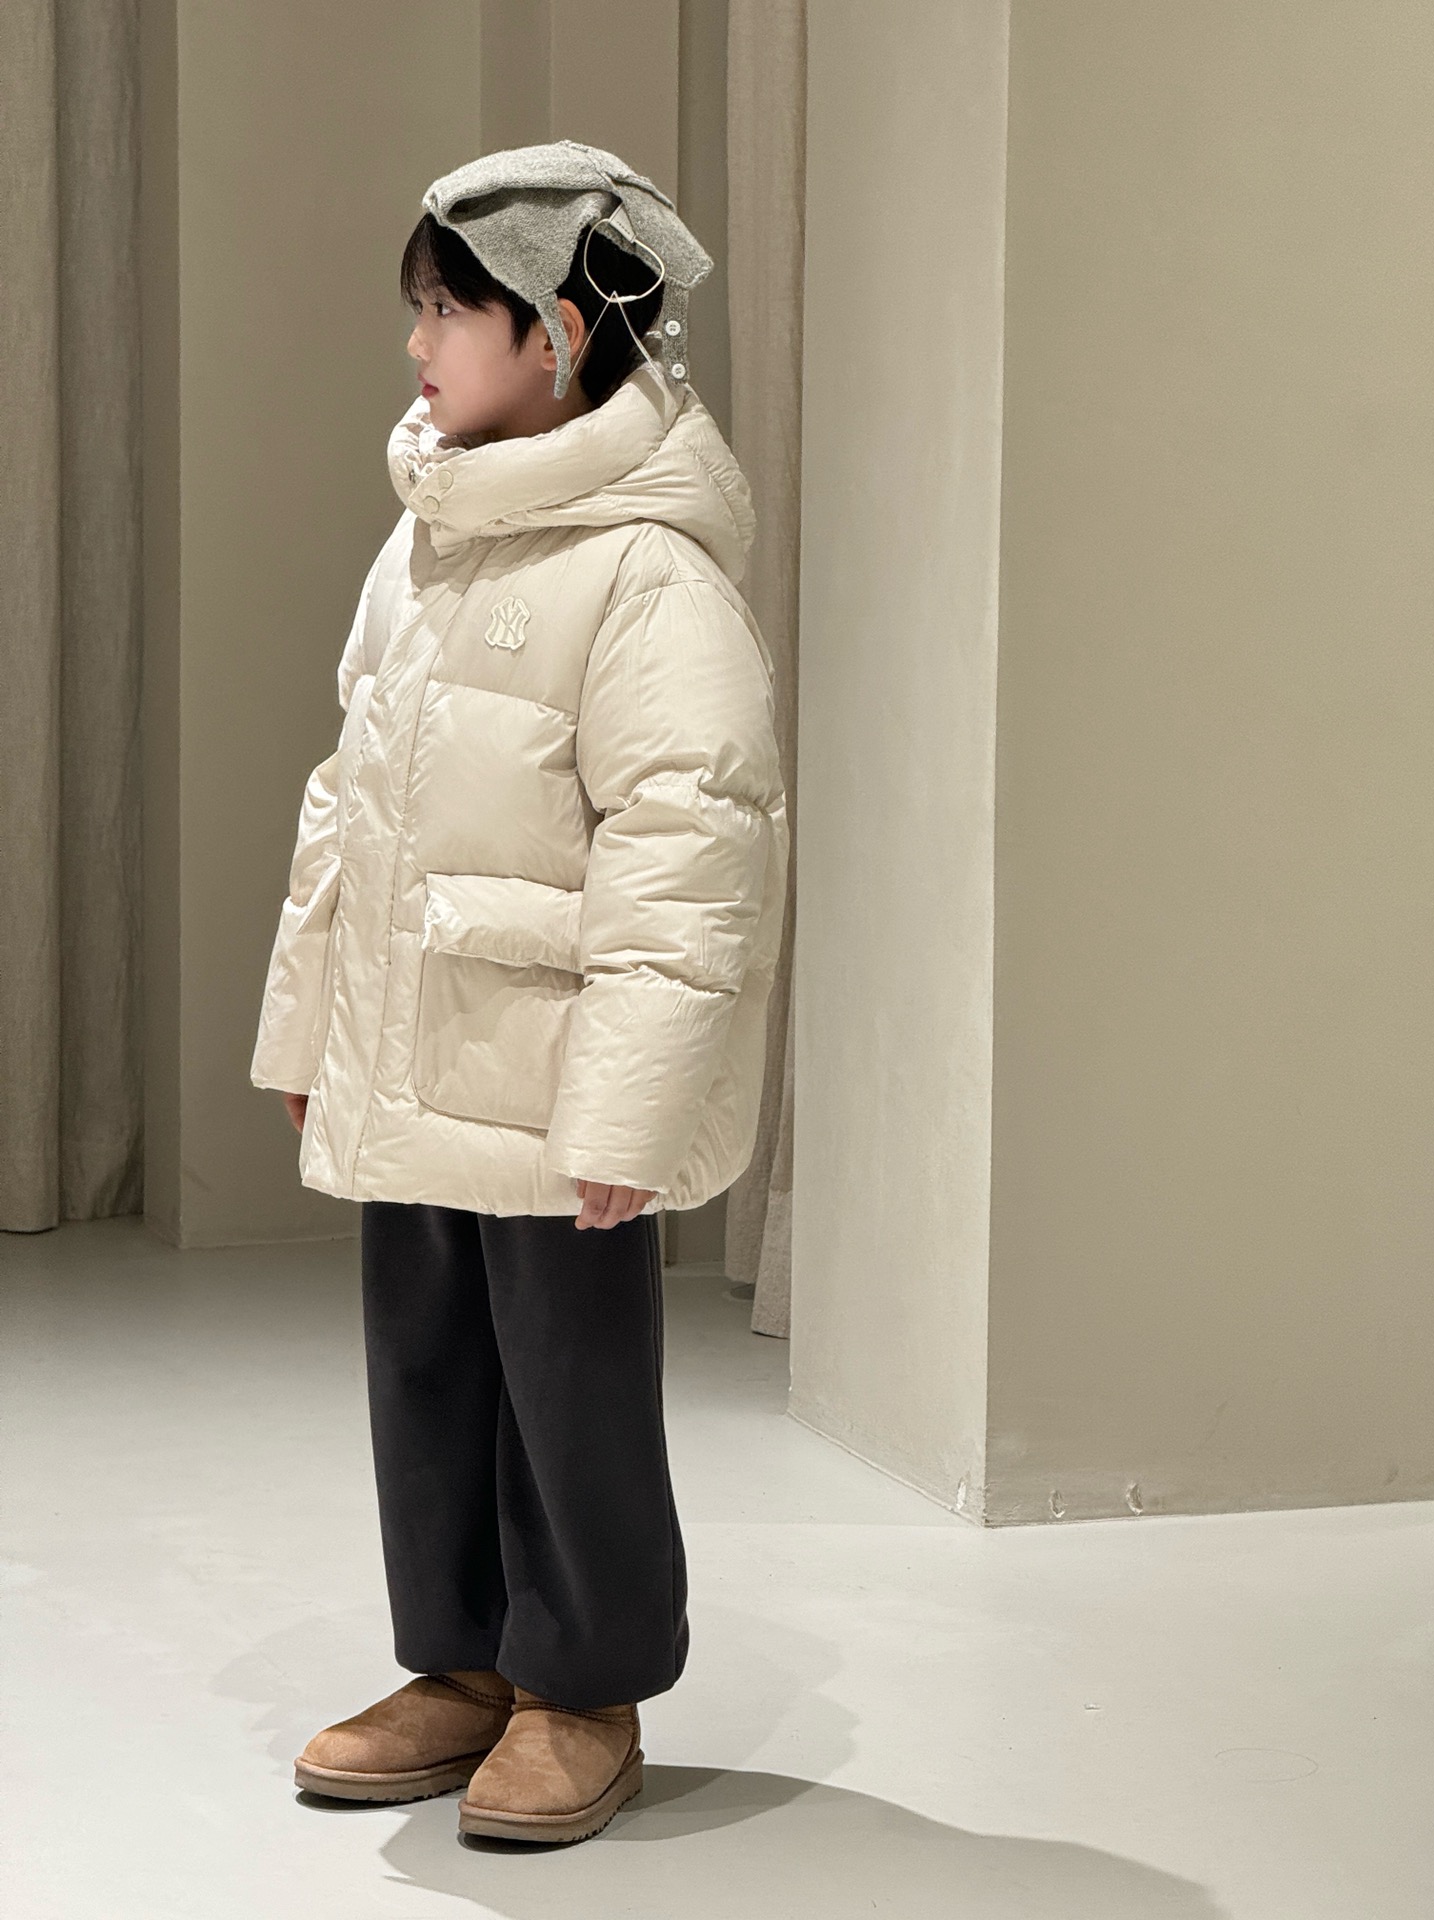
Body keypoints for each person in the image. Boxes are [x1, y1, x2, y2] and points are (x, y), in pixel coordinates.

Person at [248, 139, 788, 1847]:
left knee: (567, 1387)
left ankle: (584, 1687)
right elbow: (346, 802)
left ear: (553, 333)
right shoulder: (424, 545)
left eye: (444, 311)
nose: (414, 344)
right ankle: (465, 1664)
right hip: (414, 1049)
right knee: (426, 1367)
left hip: (553, 1079)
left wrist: (629, 1110)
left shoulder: (647, 577)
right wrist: (311, 1025)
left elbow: (689, 856)